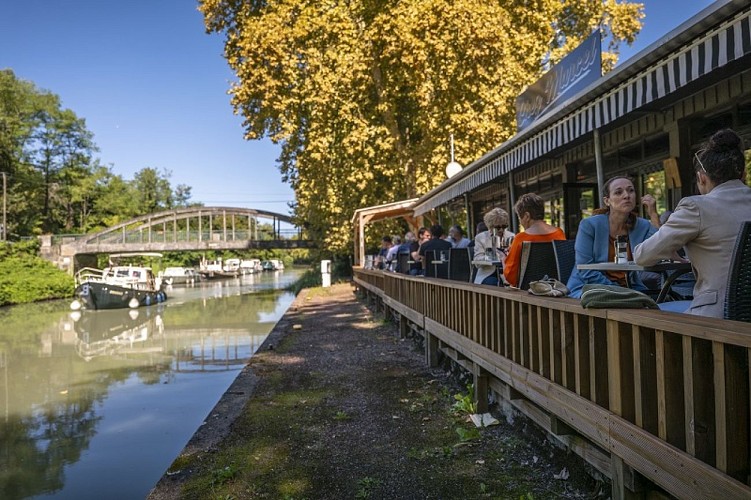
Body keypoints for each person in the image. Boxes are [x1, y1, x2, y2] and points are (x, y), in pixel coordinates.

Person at [634, 128, 751, 317]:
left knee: (650, 313)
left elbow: (642, 256)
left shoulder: (696, 207)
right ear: (743, 174)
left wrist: (666, 248)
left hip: (717, 315)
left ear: (701, 178)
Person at [566, 176, 658, 299]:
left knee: (661, 301)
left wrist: (653, 213)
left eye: (631, 190)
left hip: (631, 289)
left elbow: (657, 247)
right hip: (590, 288)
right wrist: (616, 291)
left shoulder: (642, 225)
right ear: (607, 201)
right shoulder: (589, 225)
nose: (626, 195)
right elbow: (585, 269)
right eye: (618, 192)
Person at [503, 193, 566, 287]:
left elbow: (510, 277)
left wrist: (504, 259)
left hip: (528, 290)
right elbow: (564, 265)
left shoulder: (520, 238)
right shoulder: (559, 233)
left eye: (520, 218)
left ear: (527, 216)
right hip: (555, 288)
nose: (520, 222)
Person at [473, 208, 515, 285]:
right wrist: (494, 256)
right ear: (490, 227)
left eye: (504, 226)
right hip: (488, 273)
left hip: (508, 271)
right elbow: (477, 262)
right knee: (494, 283)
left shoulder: (511, 236)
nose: (501, 230)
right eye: (498, 227)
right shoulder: (481, 238)